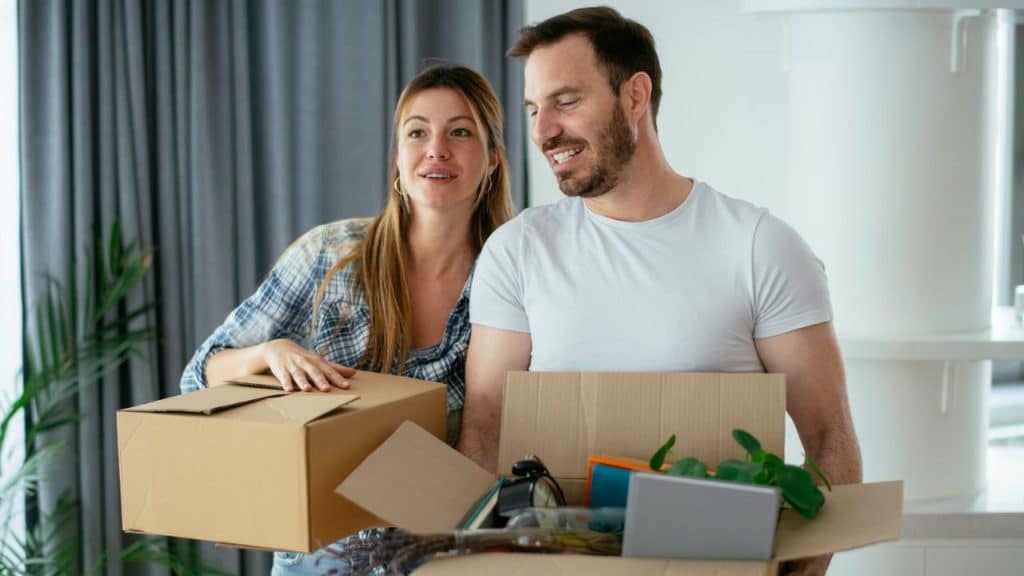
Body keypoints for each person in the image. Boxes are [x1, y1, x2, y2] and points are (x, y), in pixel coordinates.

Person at [456, 8, 861, 576]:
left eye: (565, 102)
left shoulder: (760, 247)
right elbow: (484, 432)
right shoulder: (517, 251)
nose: (543, 131)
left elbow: (828, 436)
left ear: (635, 96)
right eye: (533, 109)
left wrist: (804, 568)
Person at [179, 64, 514, 575]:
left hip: (438, 557)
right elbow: (198, 377)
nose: (436, 149)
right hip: (318, 561)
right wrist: (269, 354)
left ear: (492, 159)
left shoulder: (511, 281)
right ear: (397, 158)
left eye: (460, 132)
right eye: (417, 132)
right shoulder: (329, 254)